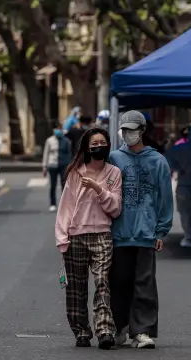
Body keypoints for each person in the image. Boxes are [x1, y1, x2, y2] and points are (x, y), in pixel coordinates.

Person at [108, 110, 173, 349]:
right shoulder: (113, 158)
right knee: (118, 281)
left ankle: (143, 331)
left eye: (133, 130)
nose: (129, 134)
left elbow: (166, 199)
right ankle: (119, 326)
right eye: (125, 130)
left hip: (146, 233)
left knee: (144, 283)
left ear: (143, 131)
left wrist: (161, 231)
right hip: (119, 232)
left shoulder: (158, 161)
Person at [55, 128, 122, 350]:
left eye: (103, 142)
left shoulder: (114, 174)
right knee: (76, 287)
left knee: (103, 282)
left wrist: (97, 188)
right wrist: (62, 238)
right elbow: (65, 207)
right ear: (87, 147)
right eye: (94, 144)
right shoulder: (76, 173)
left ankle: (104, 330)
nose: (98, 146)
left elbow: (115, 208)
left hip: (102, 235)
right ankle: (81, 331)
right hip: (76, 237)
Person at [43, 122, 72, 211]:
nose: (57, 131)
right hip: (53, 165)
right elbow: (46, 153)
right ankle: (52, 204)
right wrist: (44, 166)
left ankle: (64, 204)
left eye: (59, 129)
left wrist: (70, 166)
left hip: (64, 165)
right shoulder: (49, 140)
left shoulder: (66, 141)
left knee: (64, 185)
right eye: (56, 129)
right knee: (53, 185)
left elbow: (69, 154)